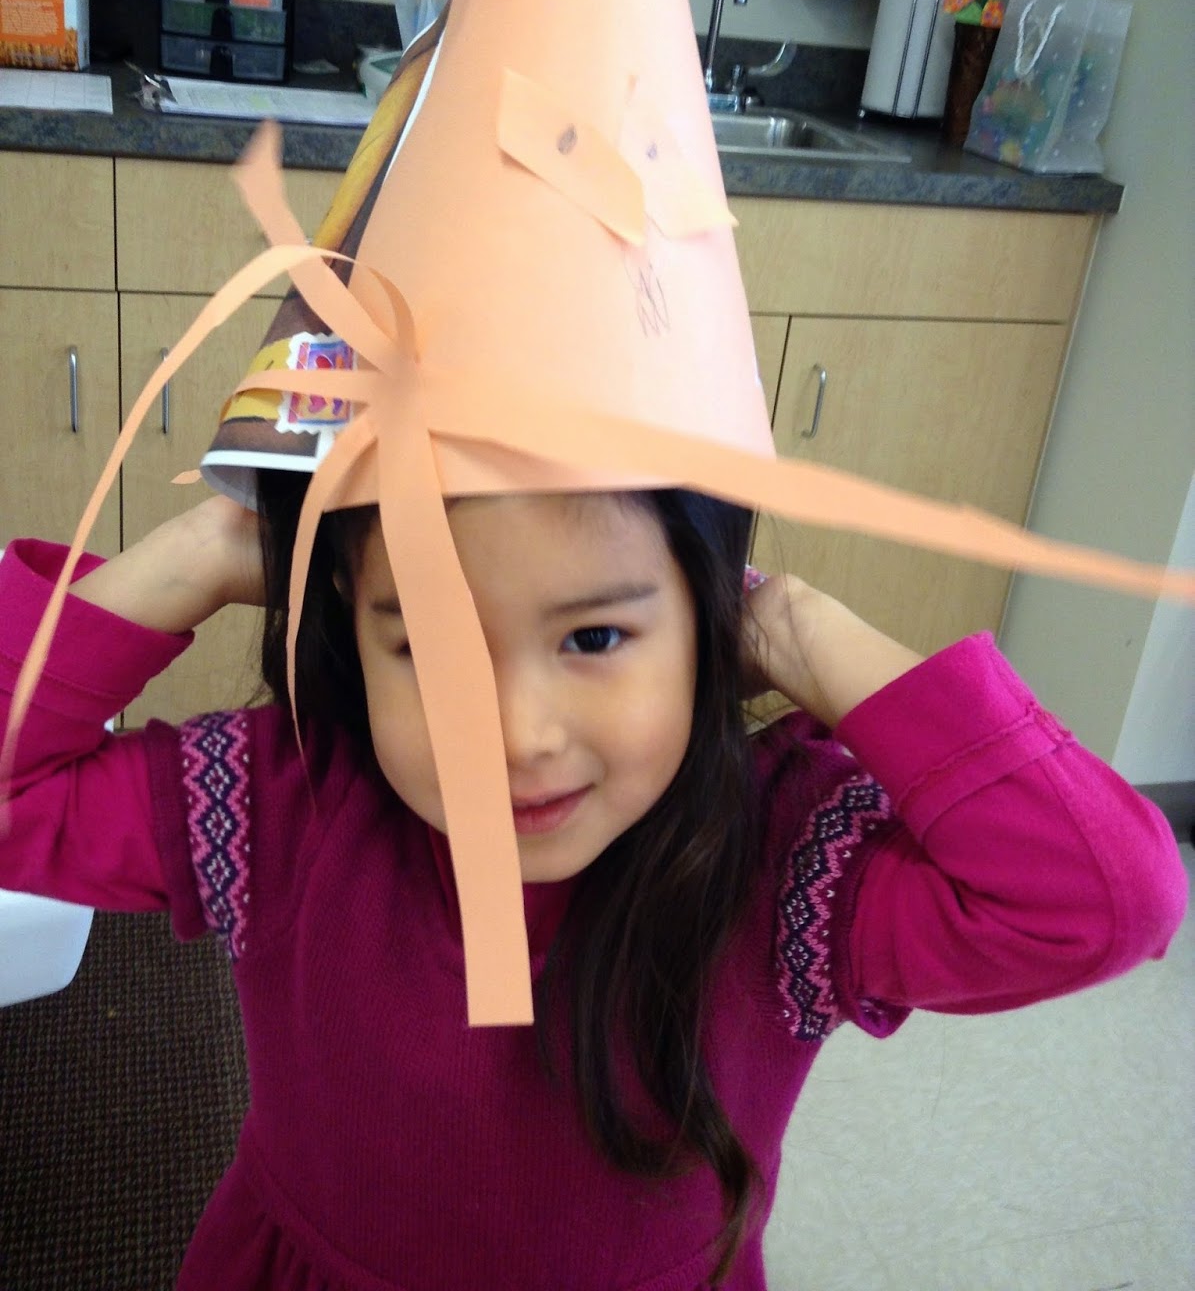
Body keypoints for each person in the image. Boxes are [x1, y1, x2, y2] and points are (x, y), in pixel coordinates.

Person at [0, 474, 1186, 1289]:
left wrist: (800, 629)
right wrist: (206, 549)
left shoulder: (788, 863)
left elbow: (1106, 898)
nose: (517, 736)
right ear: (351, 633)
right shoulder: (278, 803)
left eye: (596, 637)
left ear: (710, 619)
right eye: (431, 644)